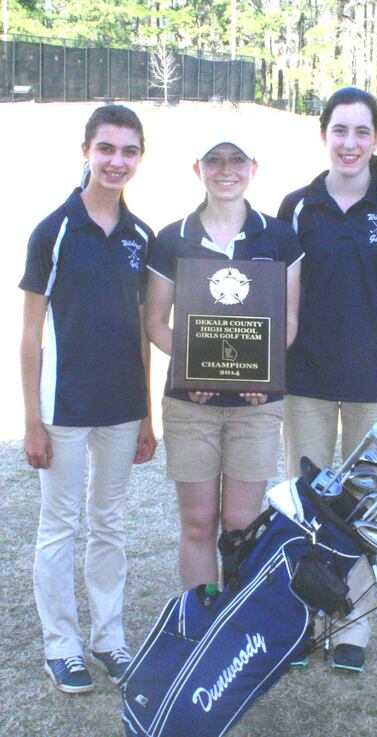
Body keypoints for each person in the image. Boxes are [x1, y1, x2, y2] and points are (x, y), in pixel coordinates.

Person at [278, 87, 377, 671]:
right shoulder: (296, 207)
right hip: (305, 380)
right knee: (308, 504)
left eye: (361, 132)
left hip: (373, 382)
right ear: (324, 136)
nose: (350, 143)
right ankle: (302, 619)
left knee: (362, 507)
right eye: (340, 131)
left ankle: (356, 627)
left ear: (376, 139)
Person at [20, 104, 157, 694]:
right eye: (106, 149)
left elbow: (145, 332)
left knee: (110, 525)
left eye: (128, 151)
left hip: (122, 408)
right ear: (86, 152)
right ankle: (63, 645)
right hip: (65, 407)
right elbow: (30, 331)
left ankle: (108, 638)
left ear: (139, 158)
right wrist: (32, 420)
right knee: (60, 524)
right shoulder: (53, 232)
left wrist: (147, 415)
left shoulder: (141, 237)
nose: (116, 161)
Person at [144, 129, 303, 597]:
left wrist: (264, 370)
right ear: (198, 170)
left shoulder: (279, 237)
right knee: (197, 523)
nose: (226, 170)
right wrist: (195, 366)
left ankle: (236, 619)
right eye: (214, 160)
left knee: (240, 524)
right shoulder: (172, 239)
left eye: (237, 159)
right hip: (190, 402)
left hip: (256, 403)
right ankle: (201, 619)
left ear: (254, 168)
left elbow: (287, 319)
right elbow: (155, 322)